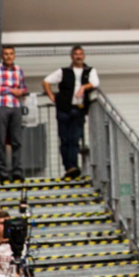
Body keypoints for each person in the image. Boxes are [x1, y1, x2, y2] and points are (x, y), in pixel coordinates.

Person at [43, 45, 100, 179]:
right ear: (72, 56)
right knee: (64, 139)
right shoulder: (63, 71)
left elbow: (95, 83)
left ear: (84, 56)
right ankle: (69, 167)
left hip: (79, 109)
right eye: (76, 54)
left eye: (80, 54)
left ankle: (73, 166)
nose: (78, 56)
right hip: (63, 109)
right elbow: (46, 81)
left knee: (74, 139)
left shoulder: (90, 71)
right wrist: (52, 97)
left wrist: (84, 87)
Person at [0, 45, 28, 183]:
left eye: (11, 53)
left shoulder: (18, 70)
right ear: (2, 56)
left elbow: (23, 88)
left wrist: (21, 91)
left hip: (16, 106)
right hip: (0, 106)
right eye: (6, 54)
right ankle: (3, 174)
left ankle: (17, 172)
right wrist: (11, 90)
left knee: (17, 141)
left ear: (14, 55)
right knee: (0, 141)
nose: (9, 56)